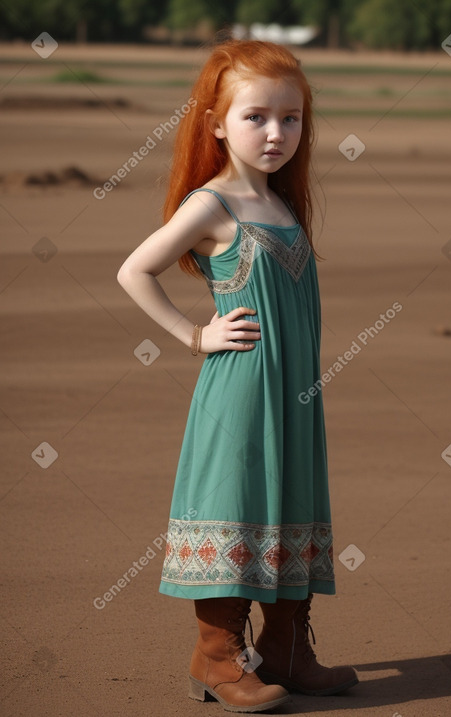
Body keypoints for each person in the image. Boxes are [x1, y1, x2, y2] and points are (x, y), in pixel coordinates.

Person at [117, 38, 358, 713]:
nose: (277, 132)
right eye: (256, 117)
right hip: (241, 391)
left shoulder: (284, 202)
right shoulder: (211, 206)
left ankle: (286, 650)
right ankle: (217, 656)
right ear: (216, 122)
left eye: (292, 117)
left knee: (290, 503)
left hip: (293, 397)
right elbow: (134, 270)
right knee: (237, 501)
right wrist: (196, 334)